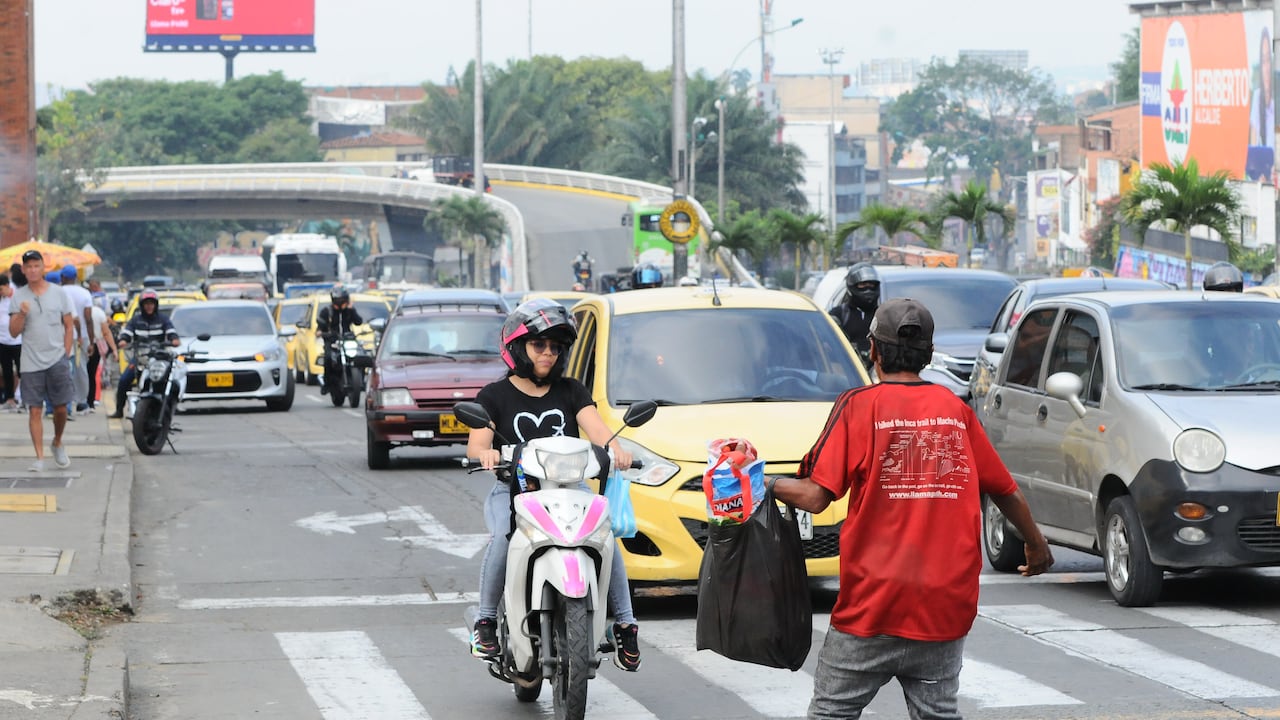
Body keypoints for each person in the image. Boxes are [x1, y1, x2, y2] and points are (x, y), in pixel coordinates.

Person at [769, 298, 1053, 720]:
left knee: (831, 713)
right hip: (943, 608)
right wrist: (1037, 545)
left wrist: (763, 482)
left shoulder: (859, 407)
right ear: (929, 355)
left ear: (874, 351)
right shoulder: (957, 412)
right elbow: (1005, 490)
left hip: (872, 606)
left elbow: (815, 496)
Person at [466, 298, 642, 672]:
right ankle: (484, 622)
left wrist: (616, 449)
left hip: (569, 493)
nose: (548, 353)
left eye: (555, 347)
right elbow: (477, 443)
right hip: (514, 493)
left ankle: (625, 623)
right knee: (502, 539)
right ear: (517, 347)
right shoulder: (494, 396)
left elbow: (599, 432)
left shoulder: (572, 391)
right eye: (539, 345)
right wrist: (486, 455)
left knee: (605, 535)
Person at [8, 250, 76, 472]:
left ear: (43, 267)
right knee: (34, 410)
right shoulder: (18, 296)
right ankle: (39, 457)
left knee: (60, 408)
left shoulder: (58, 293)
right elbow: (14, 332)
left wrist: (66, 352)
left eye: (36, 265)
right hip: (30, 360)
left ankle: (57, 441)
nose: (33, 270)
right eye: (28, 266)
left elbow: (68, 325)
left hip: (57, 358)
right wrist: (21, 314)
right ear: (24, 270)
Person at [109, 290, 179, 419]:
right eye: (146, 303)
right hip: (141, 359)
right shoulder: (135, 321)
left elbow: (172, 333)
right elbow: (127, 333)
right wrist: (123, 341)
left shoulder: (163, 320)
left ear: (156, 305)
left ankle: (170, 408)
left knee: (173, 381)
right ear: (142, 305)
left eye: (151, 303)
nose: (149, 306)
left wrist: (174, 340)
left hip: (159, 359)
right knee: (124, 380)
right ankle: (119, 410)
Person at [830, 263, 880, 366]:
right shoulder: (839, 315)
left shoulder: (883, 315)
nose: (868, 289)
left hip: (877, 371)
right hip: (847, 371)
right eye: (862, 285)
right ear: (852, 286)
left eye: (871, 285)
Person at [60, 266, 94, 414]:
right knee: (81, 369)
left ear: (62, 277)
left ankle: (63, 400)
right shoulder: (84, 293)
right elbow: (88, 318)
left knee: (62, 368)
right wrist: (91, 341)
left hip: (60, 335)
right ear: (75, 277)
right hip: (81, 337)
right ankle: (81, 401)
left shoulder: (58, 292)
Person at [315, 287, 363, 395]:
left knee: (361, 354)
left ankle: (361, 380)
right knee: (327, 358)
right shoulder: (327, 311)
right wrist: (321, 333)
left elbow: (359, 322)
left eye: (343, 301)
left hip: (347, 339)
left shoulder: (349, 311)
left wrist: (351, 310)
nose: (341, 304)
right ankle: (327, 384)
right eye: (338, 301)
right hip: (332, 341)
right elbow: (319, 328)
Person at [0, 273, 21, 410]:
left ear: (8, 286)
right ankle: (10, 398)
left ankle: (24, 398)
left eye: (1, 289)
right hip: (2, 340)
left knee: (22, 371)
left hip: (18, 340)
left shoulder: (18, 296)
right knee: (6, 371)